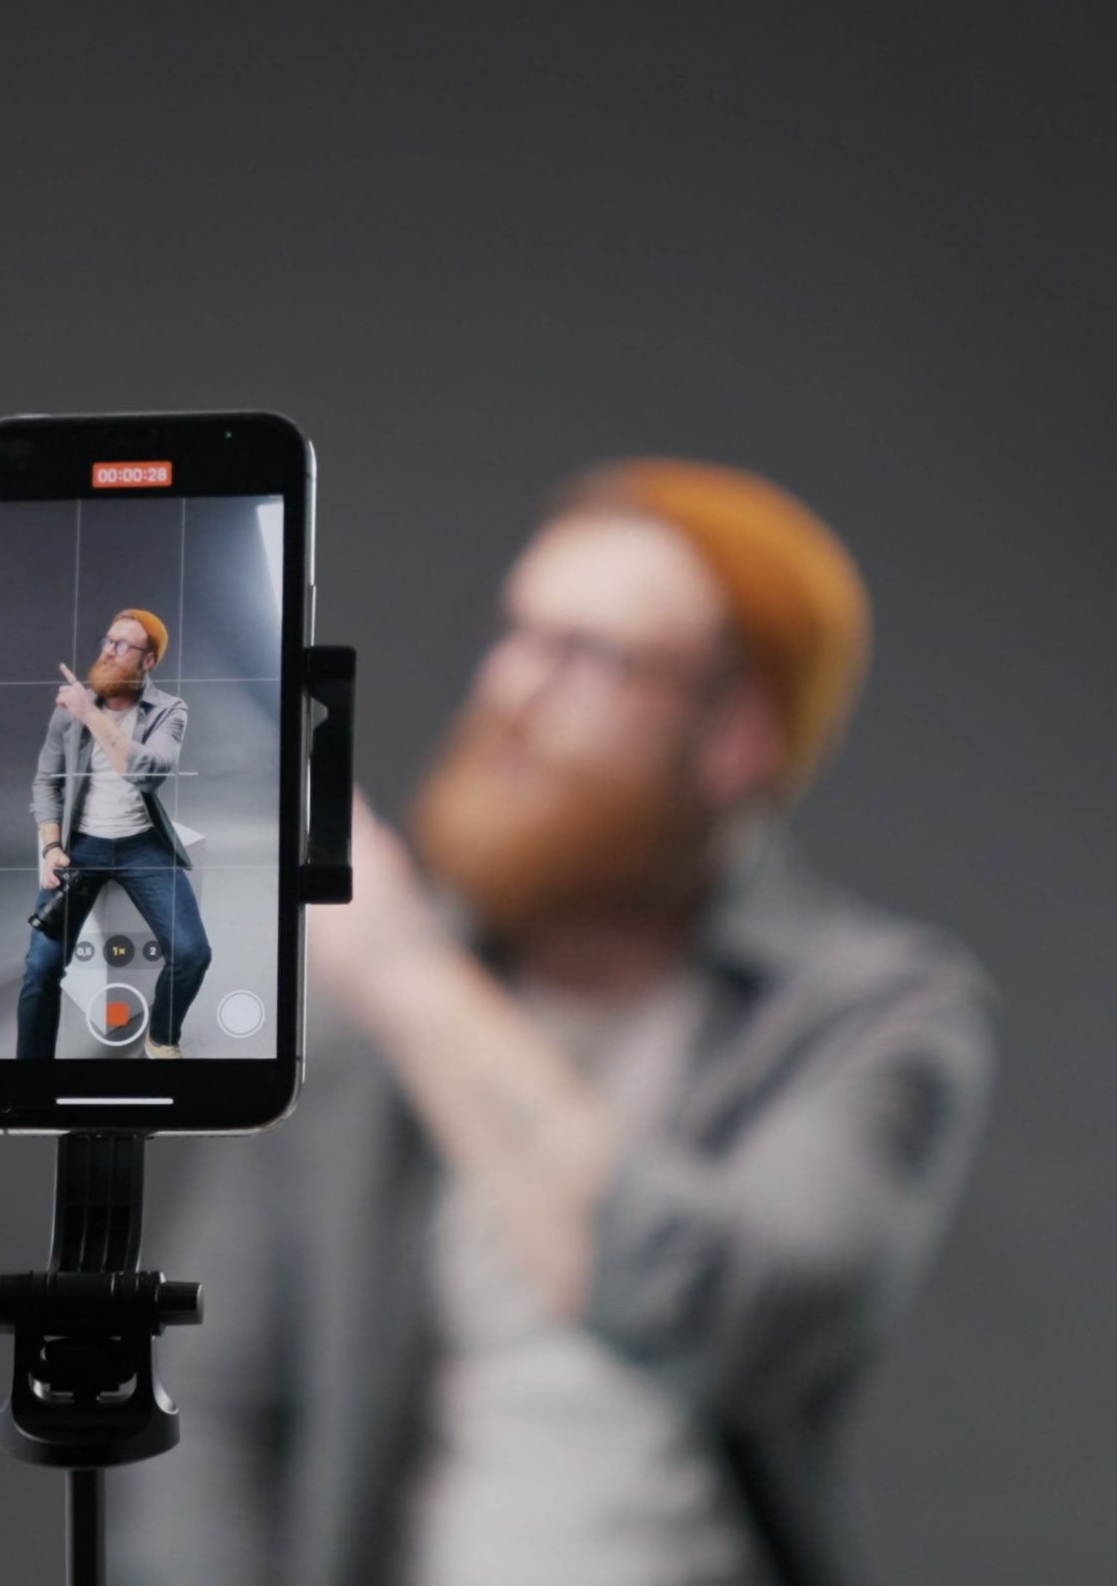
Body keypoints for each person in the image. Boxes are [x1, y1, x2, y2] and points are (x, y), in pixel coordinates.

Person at [112, 460, 996, 1585]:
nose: (509, 688)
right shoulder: (350, 1002)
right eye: (513, 633)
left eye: (589, 655)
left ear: (737, 735)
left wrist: (410, 978)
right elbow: (210, 1402)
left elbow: (734, 1327)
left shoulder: (875, 1013)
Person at [16, 608, 213, 1060]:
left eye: (122, 645)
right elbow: (46, 782)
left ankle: (161, 1037)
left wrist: (89, 713)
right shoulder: (70, 712)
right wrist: (51, 846)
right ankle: (29, 1078)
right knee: (40, 967)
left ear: (149, 660)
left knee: (192, 953)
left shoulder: (169, 710)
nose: (108, 651)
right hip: (80, 846)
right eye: (107, 640)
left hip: (143, 846)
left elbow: (148, 772)